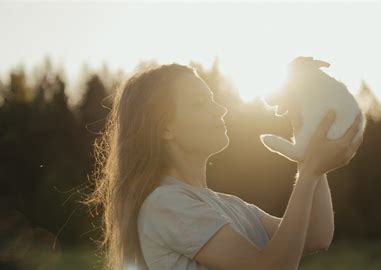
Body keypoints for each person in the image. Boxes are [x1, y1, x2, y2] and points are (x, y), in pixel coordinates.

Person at [85, 63, 363, 270]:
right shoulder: (166, 204)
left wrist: (308, 143)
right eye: (199, 103)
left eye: (214, 100)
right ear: (165, 127)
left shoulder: (228, 205)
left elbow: (316, 235)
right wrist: (310, 170)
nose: (220, 110)